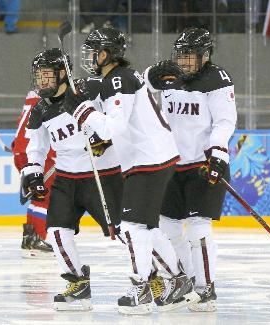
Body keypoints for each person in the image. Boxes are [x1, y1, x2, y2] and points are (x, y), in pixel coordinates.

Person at [66, 27, 199, 314]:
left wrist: (82, 111)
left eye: (94, 52)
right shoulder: (116, 78)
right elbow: (112, 126)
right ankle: (177, 278)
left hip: (149, 160)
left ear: (107, 54)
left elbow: (114, 126)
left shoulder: (118, 79)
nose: (89, 57)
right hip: (149, 158)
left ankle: (142, 288)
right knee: (145, 227)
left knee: (134, 227)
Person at [144, 27, 237, 312]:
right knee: (169, 229)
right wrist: (150, 74)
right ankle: (188, 280)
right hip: (171, 164)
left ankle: (206, 287)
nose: (183, 62)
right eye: (181, 56)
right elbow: (138, 89)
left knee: (198, 230)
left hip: (203, 164)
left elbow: (224, 121)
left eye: (190, 57)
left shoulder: (217, 80)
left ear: (205, 56)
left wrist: (218, 153)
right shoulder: (169, 76)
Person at [24, 48, 122, 311]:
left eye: (47, 75)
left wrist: (104, 137)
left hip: (102, 174)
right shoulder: (41, 109)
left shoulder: (88, 91)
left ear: (61, 74)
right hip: (66, 179)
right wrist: (33, 170)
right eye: (38, 76)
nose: (41, 82)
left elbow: (116, 116)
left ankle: (160, 276)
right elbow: (36, 145)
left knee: (127, 232)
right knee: (56, 232)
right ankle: (77, 281)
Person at [12, 90, 54, 258]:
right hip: (36, 152)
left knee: (37, 195)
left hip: (20, 152)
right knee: (44, 196)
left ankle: (30, 239)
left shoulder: (31, 96)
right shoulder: (54, 95)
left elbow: (20, 123)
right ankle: (36, 240)